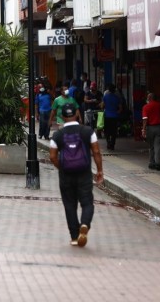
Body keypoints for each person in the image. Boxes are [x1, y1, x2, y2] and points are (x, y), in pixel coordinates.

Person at [49, 103, 104, 247]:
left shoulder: (58, 135)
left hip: (66, 175)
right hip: (84, 173)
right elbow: (96, 152)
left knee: (69, 205)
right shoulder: (87, 131)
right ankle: (85, 224)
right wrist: (99, 171)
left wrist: (62, 167)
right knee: (87, 203)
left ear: (62, 116)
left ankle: (74, 236)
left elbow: (53, 156)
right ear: (77, 114)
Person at [142, 93, 160, 171]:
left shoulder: (146, 107)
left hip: (150, 128)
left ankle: (151, 163)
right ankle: (158, 164)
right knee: (158, 146)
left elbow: (145, 119)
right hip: (159, 127)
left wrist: (143, 129)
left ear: (149, 98)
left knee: (151, 146)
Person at [101, 84, 121, 151]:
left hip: (107, 116)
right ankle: (112, 144)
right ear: (114, 90)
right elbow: (120, 108)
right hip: (115, 116)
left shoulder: (105, 97)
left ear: (108, 90)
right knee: (114, 131)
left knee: (107, 131)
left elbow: (102, 106)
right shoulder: (117, 98)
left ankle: (108, 142)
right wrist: (117, 112)